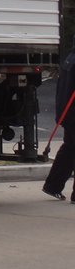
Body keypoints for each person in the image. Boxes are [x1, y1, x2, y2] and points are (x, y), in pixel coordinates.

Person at [43, 42, 75, 202]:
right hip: (72, 111)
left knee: (69, 149)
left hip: (67, 112)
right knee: (70, 148)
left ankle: (53, 186)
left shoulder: (70, 58)